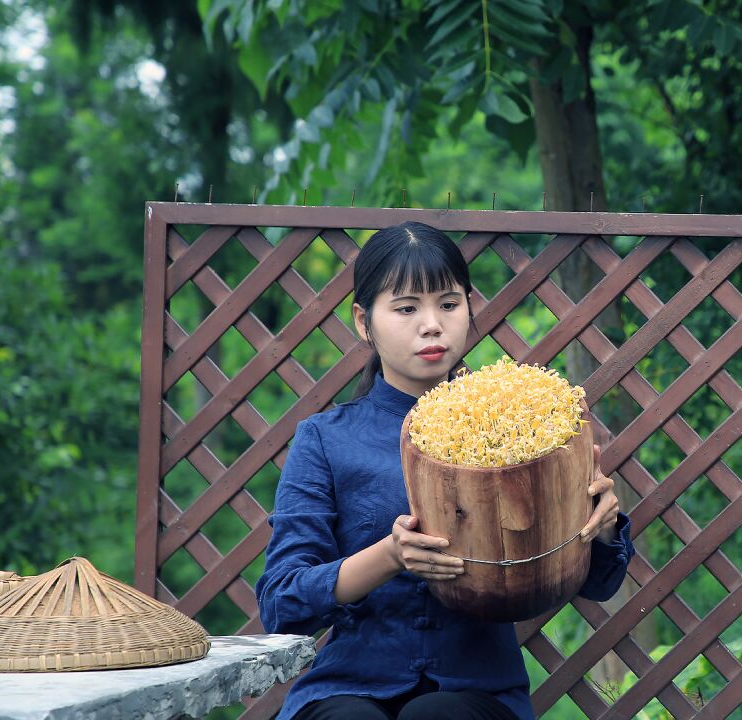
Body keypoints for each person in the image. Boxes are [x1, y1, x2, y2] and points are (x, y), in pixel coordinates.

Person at [256, 221, 636, 720]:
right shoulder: (326, 440)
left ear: (470, 307)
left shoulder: (523, 421)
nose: (431, 324)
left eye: (449, 304)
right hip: (348, 686)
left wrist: (600, 529)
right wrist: (390, 556)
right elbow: (282, 605)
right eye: (406, 307)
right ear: (363, 321)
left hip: (476, 690)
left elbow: (598, 585)